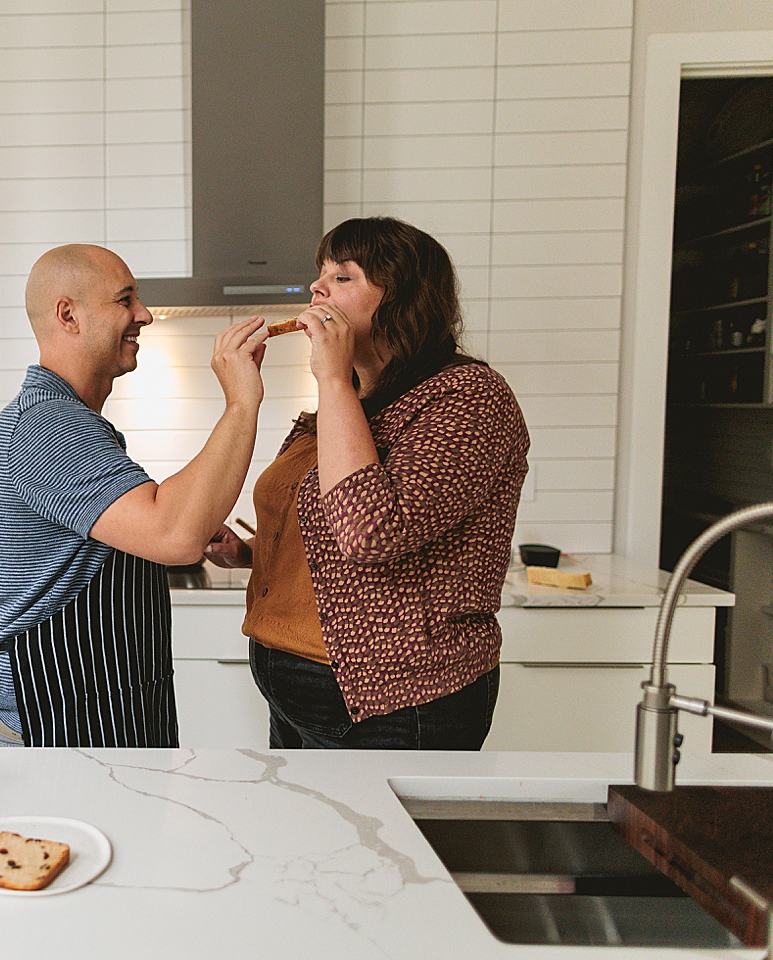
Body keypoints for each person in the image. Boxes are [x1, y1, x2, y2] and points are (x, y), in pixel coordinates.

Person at [205, 217, 530, 750]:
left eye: (343, 276)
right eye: (321, 273)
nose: (317, 287)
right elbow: (325, 525)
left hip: (395, 701)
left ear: (402, 300)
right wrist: (250, 552)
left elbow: (370, 533)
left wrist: (331, 376)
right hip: (295, 689)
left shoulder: (469, 397)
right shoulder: (346, 405)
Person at [0, 243, 268, 748]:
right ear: (69, 315)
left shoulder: (73, 421)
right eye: (125, 299)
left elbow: (159, 526)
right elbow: (173, 533)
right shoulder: (46, 425)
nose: (144, 315)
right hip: (58, 719)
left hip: (105, 709)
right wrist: (242, 401)